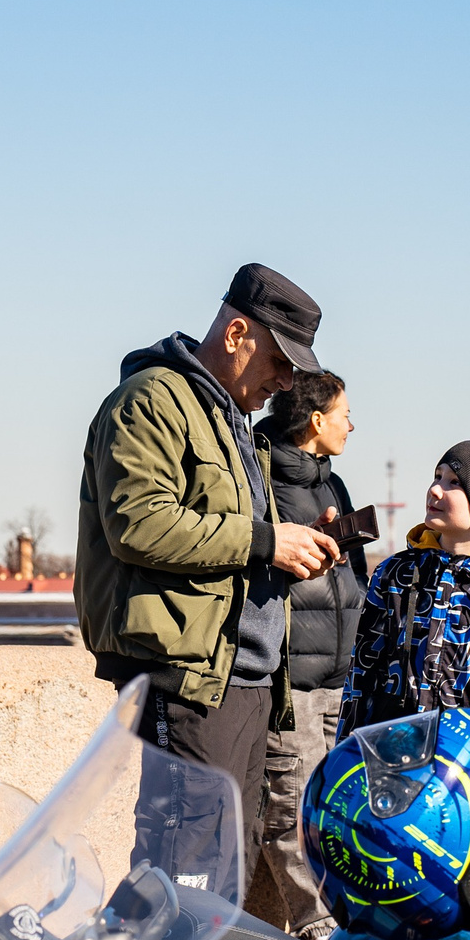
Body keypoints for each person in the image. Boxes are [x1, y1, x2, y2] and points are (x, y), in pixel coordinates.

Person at [76, 263, 338, 827]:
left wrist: (295, 550)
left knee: (224, 876)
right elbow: (140, 524)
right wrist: (268, 541)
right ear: (237, 334)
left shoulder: (234, 418)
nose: (287, 384)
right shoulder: (152, 399)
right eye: (280, 363)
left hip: (246, 681)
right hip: (190, 681)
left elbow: (231, 546)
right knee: (186, 870)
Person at [340, 442, 470, 780]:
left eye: (454, 483)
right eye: (437, 476)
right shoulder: (394, 575)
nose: (435, 489)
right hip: (388, 772)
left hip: (467, 783)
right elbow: (360, 678)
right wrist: (344, 766)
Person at [250, 369, 365, 939]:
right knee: (291, 808)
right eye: (345, 413)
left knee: (336, 811)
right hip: (289, 676)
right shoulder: (259, 476)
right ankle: (320, 932)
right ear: (317, 420)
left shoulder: (331, 483)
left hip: (336, 676)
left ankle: (341, 924)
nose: (352, 424)